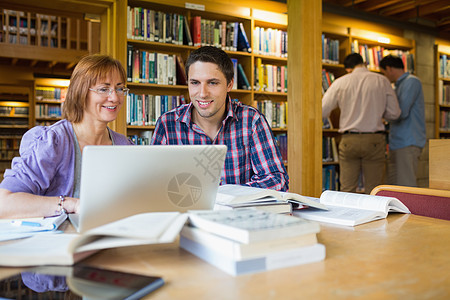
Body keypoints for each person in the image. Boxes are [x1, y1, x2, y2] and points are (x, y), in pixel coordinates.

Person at [0, 54, 133, 218]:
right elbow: (4, 203)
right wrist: (71, 204)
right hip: (58, 241)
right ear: (81, 92)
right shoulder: (53, 142)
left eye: (119, 88)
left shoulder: (125, 146)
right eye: (104, 89)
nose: (114, 98)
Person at [151, 46, 288, 191]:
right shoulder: (167, 124)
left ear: (229, 84)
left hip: (237, 212)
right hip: (185, 211)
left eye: (212, 83)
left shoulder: (251, 120)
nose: (202, 93)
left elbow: (276, 180)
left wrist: (224, 195)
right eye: (195, 83)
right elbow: (151, 182)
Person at [322, 53, 401, 193]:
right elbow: (395, 113)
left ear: (348, 69)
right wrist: (379, 115)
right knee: (374, 189)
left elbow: (322, 111)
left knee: (347, 188)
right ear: (363, 63)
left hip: (349, 139)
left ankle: (347, 215)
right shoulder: (381, 81)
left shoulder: (341, 82)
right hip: (374, 140)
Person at [379, 55, 426, 187]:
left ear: (389, 69)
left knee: (406, 185)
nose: (385, 77)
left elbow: (401, 112)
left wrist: (381, 116)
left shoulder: (412, 82)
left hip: (408, 142)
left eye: (384, 73)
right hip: (397, 143)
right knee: (394, 186)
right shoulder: (398, 86)